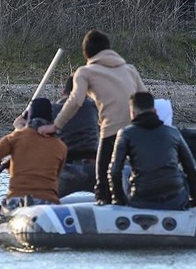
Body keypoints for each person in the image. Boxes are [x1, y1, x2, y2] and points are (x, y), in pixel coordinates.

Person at [39, 29, 147, 205]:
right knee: (129, 170)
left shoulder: (85, 72)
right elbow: (144, 98)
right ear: (109, 49)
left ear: (86, 53)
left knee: (102, 174)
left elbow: (75, 101)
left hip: (112, 130)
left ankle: (104, 200)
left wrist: (56, 126)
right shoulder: (130, 69)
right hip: (136, 130)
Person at [108, 92, 196, 210]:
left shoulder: (126, 134)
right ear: (155, 111)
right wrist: (195, 200)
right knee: (177, 171)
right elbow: (192, 169)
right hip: (175, 199)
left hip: (141, 199)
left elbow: (115, 171)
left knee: (126, 170)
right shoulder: (173, 132)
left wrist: (118, 202)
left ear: (133, 113)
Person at [0, 98, 67, 213]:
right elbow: (55, 176)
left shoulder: (16, 138)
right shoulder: (61, 146)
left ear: (29, 116)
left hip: (17, 199)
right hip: (49, 202)